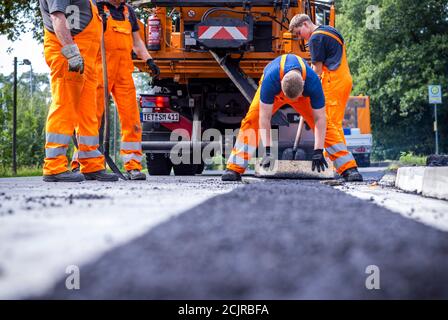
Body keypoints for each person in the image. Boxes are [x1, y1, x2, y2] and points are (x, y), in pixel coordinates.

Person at [71, 0, 160, 180]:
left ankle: (133, 166)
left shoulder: (128, 12)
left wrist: (148, 59)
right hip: (100, 70)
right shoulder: (96, 8)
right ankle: (80, 163)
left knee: (131, 119)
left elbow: (137, 42)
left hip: (123, 74)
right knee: (90, 119)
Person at [39, 0, 118, 182]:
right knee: (64, 107)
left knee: (88, 112)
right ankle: (54, 166)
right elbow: (57, 17)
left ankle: (91, 164)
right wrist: (71, 52)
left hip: (85, 58)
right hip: (70, 54)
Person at [222, 54, 334, 181]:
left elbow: (320, 119)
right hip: (276, 91)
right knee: (252, 119)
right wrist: (268, 150)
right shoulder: (270, 81)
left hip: (302, 95)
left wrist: (318, 150)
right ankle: (234, 168)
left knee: (327, 123)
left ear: (304, 85)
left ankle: (347, 167)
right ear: (281, 84)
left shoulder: (313, 83)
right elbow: (264, 118)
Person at [289, 14, 363, 181]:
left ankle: (342, 166)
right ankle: (335, 164)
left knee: (328, 124)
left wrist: (304, 90)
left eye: (299, 33)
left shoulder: (315, 39)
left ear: (306, 24)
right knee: (334, 125)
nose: (299, 38)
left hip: (332, 81)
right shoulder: (330, 30)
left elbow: (317, 71)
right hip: (344, 80)